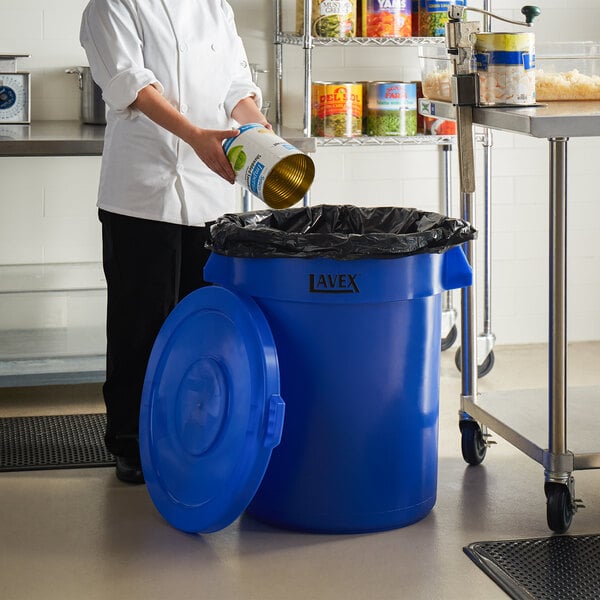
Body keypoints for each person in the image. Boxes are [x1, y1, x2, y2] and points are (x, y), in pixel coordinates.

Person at [80, 0, 270, 483]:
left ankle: (192, 433)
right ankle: (130, 442)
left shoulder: (215, 7)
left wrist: (254, 125)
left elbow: (235, 86)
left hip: (210, 192)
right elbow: (132, 86)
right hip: (141, 194)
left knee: (202, 323)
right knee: (139, 323)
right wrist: (197, 136)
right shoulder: (111, 6)